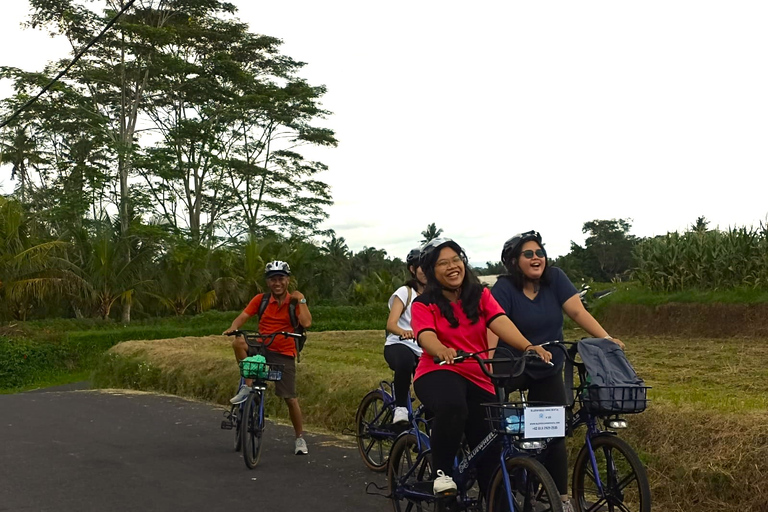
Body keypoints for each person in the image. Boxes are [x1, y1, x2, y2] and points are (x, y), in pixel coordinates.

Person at [489, 230, 624, 511]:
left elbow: (577, 312)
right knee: (498, 423)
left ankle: (561, 499)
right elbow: (494, 322)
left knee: (555, 430)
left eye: (540, 253)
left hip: (548, 364)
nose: (537, 258)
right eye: (529, 254)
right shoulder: (503, 288)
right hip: (511, 364)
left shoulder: (556, 279)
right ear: (514, 262)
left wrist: (607, 339)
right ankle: (501, 475)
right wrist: (488, 363)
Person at [410, 238, 551, 498]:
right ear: (431, 271)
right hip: (438, 371)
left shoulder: (481, 295)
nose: (452, 267)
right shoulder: (423, 303)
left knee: (491, 457)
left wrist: (529, 347)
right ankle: (442, 473)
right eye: (443, 263)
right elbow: (425, 335)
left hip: (478, 375)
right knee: (453, 405)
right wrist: (440, 349)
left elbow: (500, 322)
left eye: (456, 260)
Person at [223, 260, 313, 456]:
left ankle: (299, 438)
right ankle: (247, 386)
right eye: (273, 279)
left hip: (284, 353)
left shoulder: (294, 302)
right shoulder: (261, 300)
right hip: (261, 347)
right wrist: (233, 327)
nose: (277, 283)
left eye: (280, 278)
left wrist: (302, 300)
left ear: (287, 280)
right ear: (268, 282)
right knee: (238, 342)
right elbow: (243, 316)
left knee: (290, 398)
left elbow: (306, 323)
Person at [384, 248, 427, 425]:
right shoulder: (405, 292)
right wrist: (404, 332)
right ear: (412, 269)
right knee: (405, 362)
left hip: (423, 348)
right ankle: (400, 408)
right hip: (399, 344)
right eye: (421, 267)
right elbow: (391, 323)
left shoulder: (436, 296)